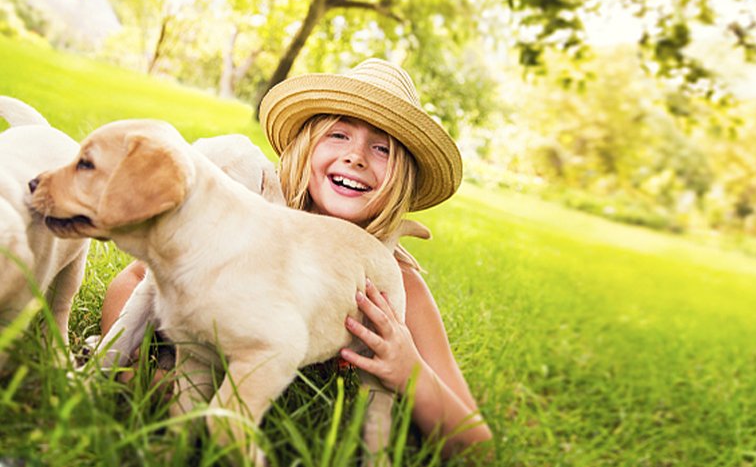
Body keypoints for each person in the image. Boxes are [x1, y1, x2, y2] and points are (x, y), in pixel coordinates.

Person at [98, 59, 493, 459]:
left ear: (402, 179)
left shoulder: (394, 286)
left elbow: (475, 445)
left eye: (381, 148)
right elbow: (134, 284)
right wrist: (143, 373)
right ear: (305, 146)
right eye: (338, 135)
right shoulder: (248, 214)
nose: (356, 157)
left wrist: (410, 371)